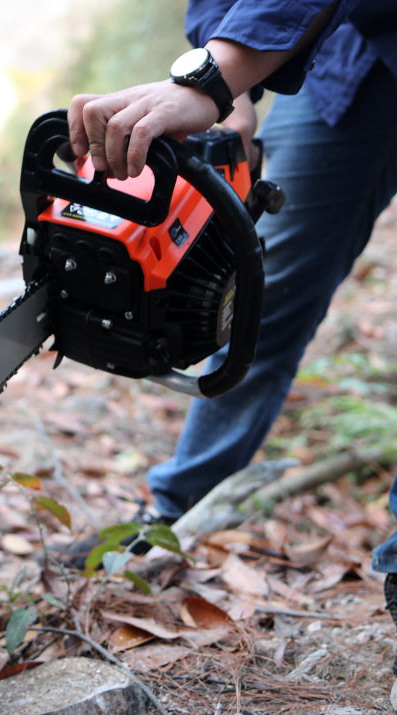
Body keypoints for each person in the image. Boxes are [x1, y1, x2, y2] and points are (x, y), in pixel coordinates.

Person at [66, 0, 397, 671]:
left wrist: (215, 78)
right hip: (351, 52)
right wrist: (230, 85)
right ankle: (176, 511)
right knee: (256, 299)